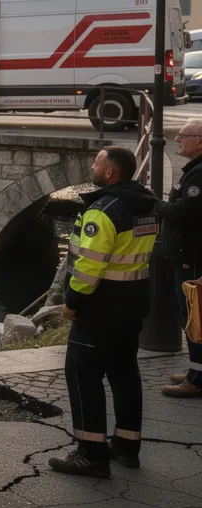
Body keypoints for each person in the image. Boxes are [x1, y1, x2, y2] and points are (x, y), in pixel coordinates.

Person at [49, 147, 156, 478]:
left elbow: (88, 270)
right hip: (133, 303)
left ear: (110, 173)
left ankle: (90, 453)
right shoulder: (146, 206)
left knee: (82, 375)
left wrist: (72, 303)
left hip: (100, 308)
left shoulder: (103, 211)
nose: (92, 166)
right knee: (125, 373)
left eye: (97, 162)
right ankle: (126, 446)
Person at [156, 120, 202, 399]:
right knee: (192, 315)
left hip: (192, 257)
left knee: (193, 315)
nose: (178, 141)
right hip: (187, 254)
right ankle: (196, 370)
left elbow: (183, 211)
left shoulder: (197, 176)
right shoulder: (193, 172)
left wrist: (156, 204)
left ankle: (196, 379)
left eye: (183, 137)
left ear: (199, 141)